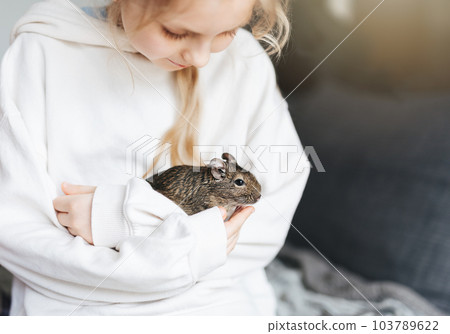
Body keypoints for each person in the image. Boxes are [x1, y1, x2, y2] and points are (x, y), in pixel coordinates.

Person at [0, 0, 309, 315]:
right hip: (81, 305)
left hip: (217, 298)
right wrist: (178, 255)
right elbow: (15, 229)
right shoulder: (43, 54)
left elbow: (272, 209)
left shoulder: (244, 63)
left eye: (227, 31)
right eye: (176, 32)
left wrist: (132, 222)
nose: (202, 59)